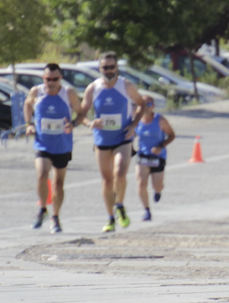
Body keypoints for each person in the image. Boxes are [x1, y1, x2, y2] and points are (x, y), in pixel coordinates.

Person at [74, 52, 146, 233]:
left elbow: (141, 105)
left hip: (123, 137)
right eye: (105, 67)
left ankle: (120, 205)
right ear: (99, 69)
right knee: (107, 180)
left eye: (112, 67)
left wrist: (133, 125)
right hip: (102, 139)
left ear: (117, 68)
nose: (108, 70)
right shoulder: (93, 88)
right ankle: (110, 217)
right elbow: (81, 115)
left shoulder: (126, 85)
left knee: (120, 172)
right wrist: (91, 123)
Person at [25, 63, 82, 234]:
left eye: (54, 79)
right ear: (43, 79)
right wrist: (29, 124)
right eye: (47, 79)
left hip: (62, 144)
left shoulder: (68, 93)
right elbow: (27, 105)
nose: (51, 82)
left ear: (60, 78)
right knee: (42, 174)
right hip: (42, 143)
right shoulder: (36, 91)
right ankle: (42, 209)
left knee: (58, 183)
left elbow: (80, 112)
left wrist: (74, 124)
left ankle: (55, 216)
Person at [134, 95, 175, 221]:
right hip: (143, 156)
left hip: (158, 156)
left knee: (157, 186)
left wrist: (160, 146)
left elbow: (171, 135)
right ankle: (147, 210)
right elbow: (129, 135)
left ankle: (158, 191)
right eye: (144, 104)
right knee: (141, 184)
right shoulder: (136, 120)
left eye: (149, 104)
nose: (147, 107)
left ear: (153, 106)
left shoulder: (160, 120)